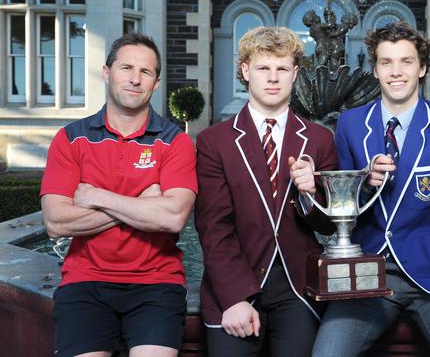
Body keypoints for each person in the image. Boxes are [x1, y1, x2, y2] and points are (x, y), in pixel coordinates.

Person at [311, 21, 430, 357]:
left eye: (406, 61)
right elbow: (343, 209)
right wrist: (364, 181)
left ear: (421, 68)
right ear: (375, 70)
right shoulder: (350, 124)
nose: (396, 72)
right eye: (386, 62)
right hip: (368, 277)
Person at [41, 32, 197, 357]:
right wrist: (143, 205)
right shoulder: (71, 139)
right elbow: (56, 221)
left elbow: (172, 217)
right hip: (85, 282)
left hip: (157, 283)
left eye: (146, 72)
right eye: (127, 68)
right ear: (107, 72)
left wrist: (97, 196)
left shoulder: (175, 142)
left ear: (156, 83)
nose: (135, 79)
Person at [194, 26, 338, 357]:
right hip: (235, 283)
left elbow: (330, 224)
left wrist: (310, 192)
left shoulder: (319, 139)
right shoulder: (215, 141)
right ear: (245, 71)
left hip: (298, 288)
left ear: (295, 73)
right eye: (263, 68)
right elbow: (213, 227)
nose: (273, 78)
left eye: (282, 68)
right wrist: (233, 298)